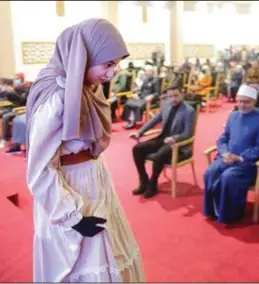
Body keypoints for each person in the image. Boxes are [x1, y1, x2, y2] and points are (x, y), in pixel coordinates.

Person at [25, 19, 145, 282]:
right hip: (69, 193)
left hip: (94, 182)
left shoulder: (87, 87)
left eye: (116, 63)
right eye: (108, 64)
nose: (113, 73)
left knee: (110, 254)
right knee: (85, 265)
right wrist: (72, 217)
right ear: (83, 57)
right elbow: (39, 169)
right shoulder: (57, 97)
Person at [203, 85, 259, 224]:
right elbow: (223, 138)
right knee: (210, 172)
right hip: (227, 157)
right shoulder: (233, 115)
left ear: (254, 101)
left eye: (246, 102)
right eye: (239, 101)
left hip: (248, 163)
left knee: (228, 177)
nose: (241, 105)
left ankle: (228, 215)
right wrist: (225, 152)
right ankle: (213, 210)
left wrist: (240, 157)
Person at [129, 84, 195, 198]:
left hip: (177, 144)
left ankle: (153, 183)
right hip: (162, 138)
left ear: (182, 95)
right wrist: (140, 132)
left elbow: (188, 133)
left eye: (176, 96)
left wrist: (174, 138)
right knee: (137, 149)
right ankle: (144, 181)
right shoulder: (166, 105)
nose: (173, 99)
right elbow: (155, 120)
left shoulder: (189, 111)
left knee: (158, 156)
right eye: (170, 96)